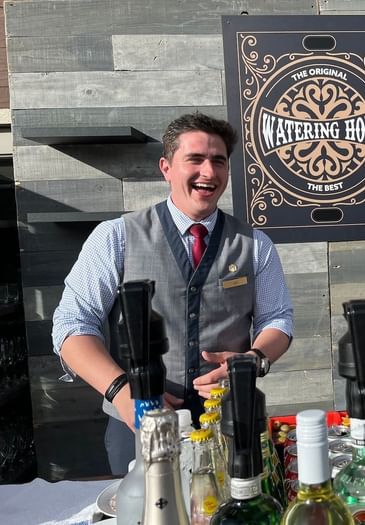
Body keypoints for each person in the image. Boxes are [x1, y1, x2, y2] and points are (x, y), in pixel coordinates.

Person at [52, 112, 293, 475]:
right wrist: (121, 390)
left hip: (228, 419)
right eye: (194, 159)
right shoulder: (116, 237)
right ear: (166, 167)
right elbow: (72, 326)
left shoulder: (255, 244)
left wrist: (252, 359)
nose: (208, 173)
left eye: (218, 161)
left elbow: (278, 318)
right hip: (137, 423)